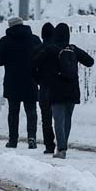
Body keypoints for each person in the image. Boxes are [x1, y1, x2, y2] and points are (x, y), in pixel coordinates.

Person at [32, 22, 92, 159]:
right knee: (67, 118)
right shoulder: (73, 49)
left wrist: (40, 80)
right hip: (72, 88)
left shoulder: (50, 49)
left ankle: (61, 148)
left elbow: (34, 64)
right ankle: (63, 145)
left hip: (56, 88)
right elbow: (90, 61)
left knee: (58, 120)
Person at [0, 17, 42, 148]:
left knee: (13, 112)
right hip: (31, 80)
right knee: (31, 111)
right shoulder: (34, 39)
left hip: (12, 81)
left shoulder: (5, 41)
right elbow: (42, 58)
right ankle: (32, 138)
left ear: (10, 27)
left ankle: (13, 140)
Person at [35, 22, 58, 154]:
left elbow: (32, 68)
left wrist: (38, 80)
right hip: (57, 86)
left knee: (46, 118)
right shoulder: (57, 49)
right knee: (59, 117)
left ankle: (49, 145)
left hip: (44, 87)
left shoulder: (38, 49)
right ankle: (61, 142)